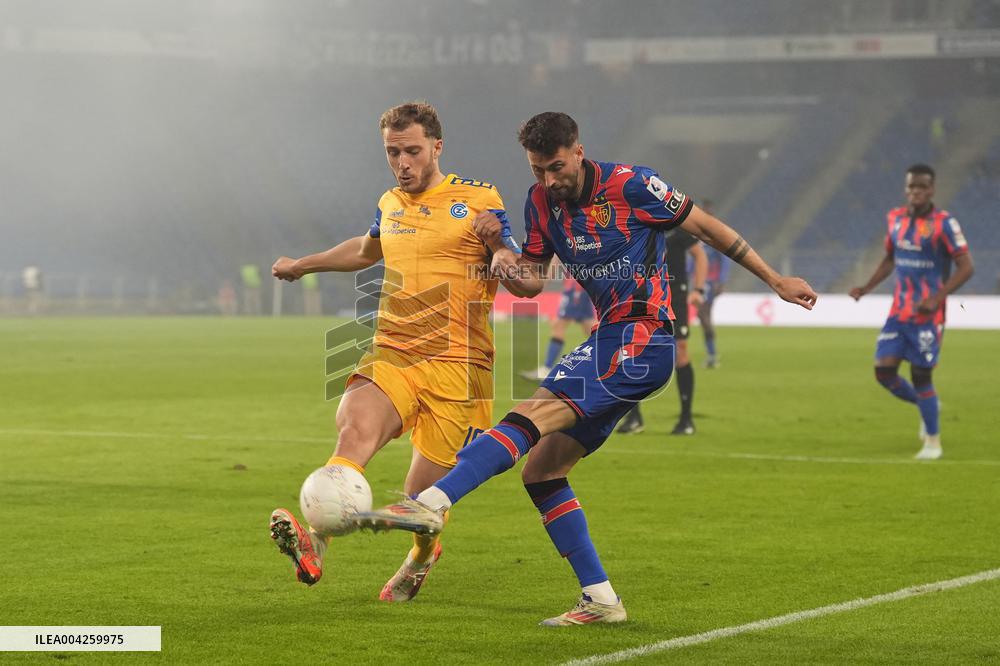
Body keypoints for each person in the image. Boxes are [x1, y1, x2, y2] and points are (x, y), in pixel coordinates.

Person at [357, 112, 816, 625]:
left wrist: (775, 279)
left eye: (556, 167)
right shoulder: (541, 203)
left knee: (533, 411)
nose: (549, 181)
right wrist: (496, 247)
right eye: (537, 171)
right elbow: (530, 282)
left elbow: (706, 228)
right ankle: (600, 598)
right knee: (543, 471)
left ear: (578, 151)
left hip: (643, 335)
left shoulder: (632, 185)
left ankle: (432, 501)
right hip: (609, 337)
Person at [269, 101, 521, 602]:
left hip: (461, 368)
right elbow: (367, 250)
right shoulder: (389, 203)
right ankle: (315, 542)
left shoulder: (478, 198)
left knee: (420, 502)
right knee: (354, 429)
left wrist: (501, 251)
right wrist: (304, 264)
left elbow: (511, 260)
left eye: (411, 151)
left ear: (436, 147)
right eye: (392, 152)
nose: (401, 162)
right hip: (395, 351)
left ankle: (422, 557)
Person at [850, 164, 974, 460]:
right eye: (911, 187)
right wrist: (867, 287)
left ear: (932, 189)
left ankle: (933, 442)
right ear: (906, 189)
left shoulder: (945, 223)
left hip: (928, 316)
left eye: (922, 187)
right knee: (883, 372)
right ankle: (927, 404)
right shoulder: (895, 219)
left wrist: (937, 297)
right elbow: (890, 259)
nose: (916, 192)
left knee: (921, 375)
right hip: (898, 311)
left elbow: (967, 266)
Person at [616, 226, 707, 435]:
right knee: (633, 350)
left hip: (675, 294)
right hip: (644, 293)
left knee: (680, 350)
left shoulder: (675, 224)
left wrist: (699, 289)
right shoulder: (637, 223)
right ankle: (634, 417)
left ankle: (686, 419)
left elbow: (700, 255)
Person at [520, 273, 597, 381]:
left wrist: (541, 283)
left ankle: (546, 368)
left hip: (576, 288)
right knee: (589, 329)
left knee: (562, 326)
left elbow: (554, 263)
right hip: (576, 287)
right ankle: (609, 360)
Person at [695, 199, 731, 369]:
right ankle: (711, 355)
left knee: (703, 315)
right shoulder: (698, 233)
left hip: (709, 282)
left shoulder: (715, 234)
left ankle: (712, 355)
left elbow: (724, 259)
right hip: (699, 281)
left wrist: (721, 281)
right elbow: (693, 259)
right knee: (702, 317)